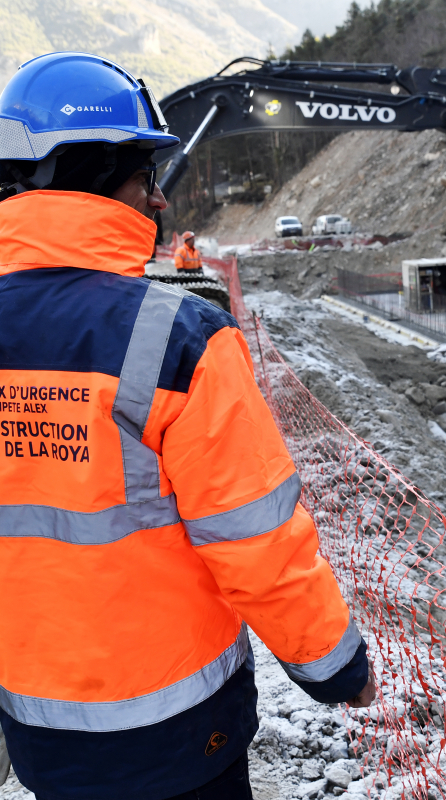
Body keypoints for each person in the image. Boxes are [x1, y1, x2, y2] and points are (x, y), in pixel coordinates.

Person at [0, 52, 374, 800]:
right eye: (148, 176)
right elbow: (254, 540)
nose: (161, 202)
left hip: (36, 724)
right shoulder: (179, 339)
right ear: (100, 174)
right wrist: (335, 668)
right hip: (175, 733)